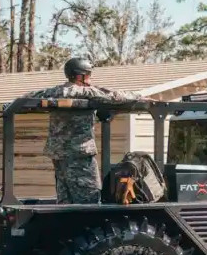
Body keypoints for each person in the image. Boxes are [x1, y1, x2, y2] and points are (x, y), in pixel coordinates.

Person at [26, 57, 145, 204]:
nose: (90, 78)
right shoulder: (85, 92)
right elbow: (114, 96)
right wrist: (138, 96)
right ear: (79, 76)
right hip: (79, 154)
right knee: (90, 199)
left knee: (65, 199)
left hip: (58, 154)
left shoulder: (54, 92)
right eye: (88, 75)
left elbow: (29, 97)